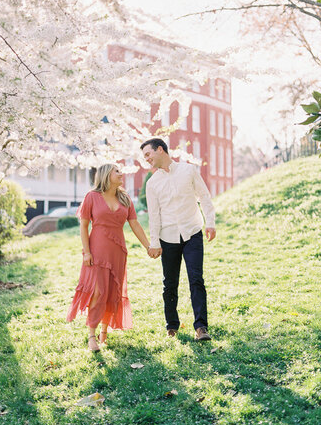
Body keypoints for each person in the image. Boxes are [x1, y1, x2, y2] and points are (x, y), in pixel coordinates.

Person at [66, 163, 150, 352]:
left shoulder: (125, 198)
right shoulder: (92, 197)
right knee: (98, 291)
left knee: (113, 290)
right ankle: (91, 336)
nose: (121, 174)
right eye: (117, 171)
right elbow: (83, 226)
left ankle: (104, 332)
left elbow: (135, 224)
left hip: (117, 250)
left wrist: (148, 246)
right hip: (97, 249)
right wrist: (86, 252)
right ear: (106, 175)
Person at [141, 138, 216, 341]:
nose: (146, 159)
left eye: (148, 154)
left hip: (192, 232)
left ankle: (201, 327)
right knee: (170, 284)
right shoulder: (152, 183)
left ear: (160, 150)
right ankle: (172, 326)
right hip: (168, 238)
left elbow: (204, 196)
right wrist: (155, 242)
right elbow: (154, 215)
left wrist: (210, 222)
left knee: (196, 279)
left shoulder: (188, 171)